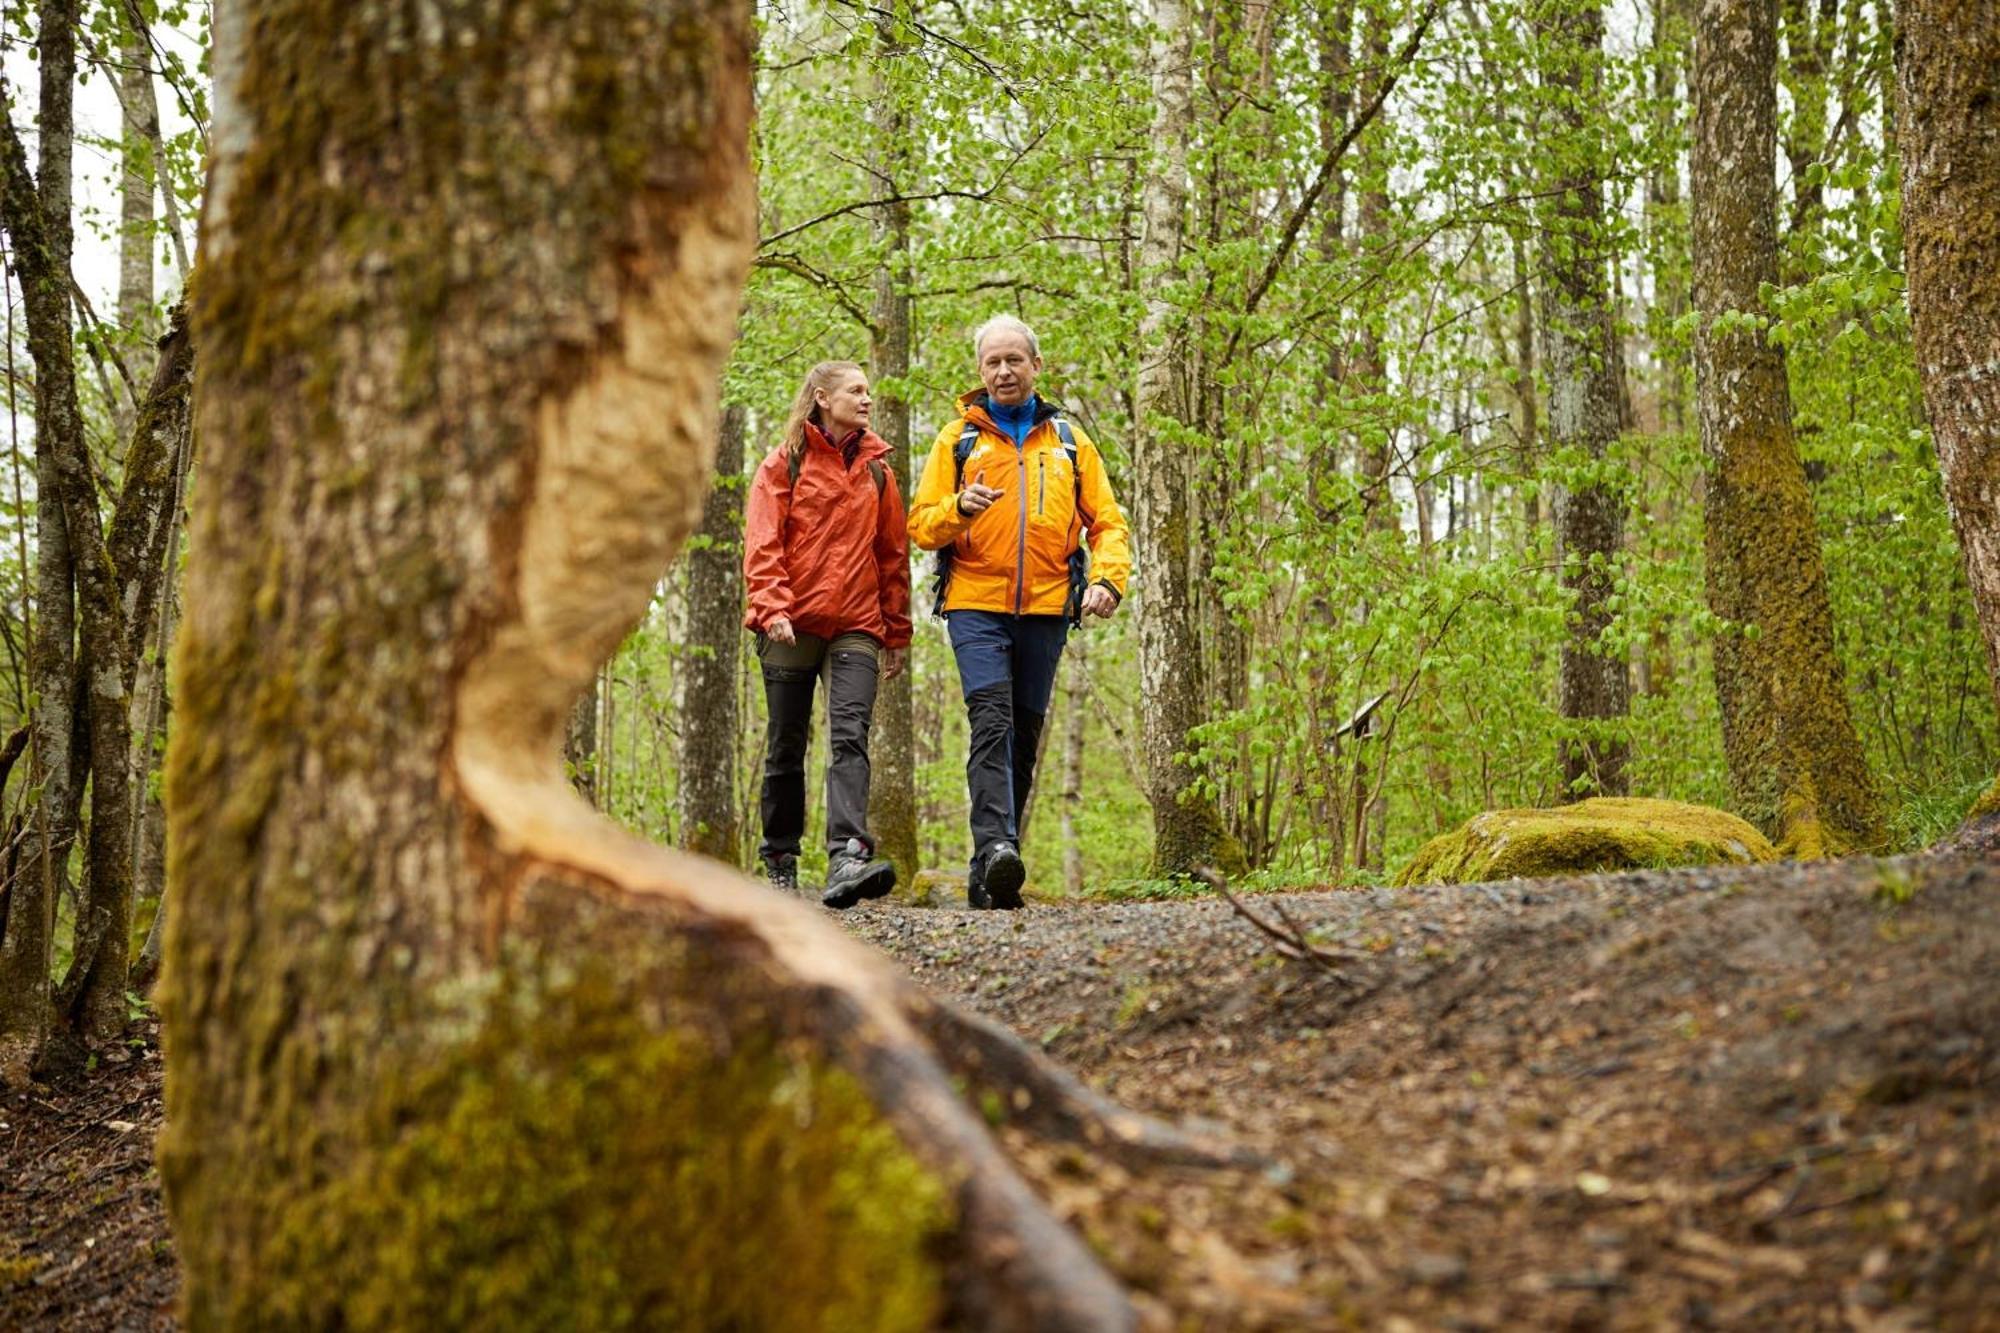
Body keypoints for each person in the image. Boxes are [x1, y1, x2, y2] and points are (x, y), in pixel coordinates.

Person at [908, 316, 1130, 909]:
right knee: (992, 723)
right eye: (992, 363)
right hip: (975, 603)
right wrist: (959, 507)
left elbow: (1107, 522)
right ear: (979, 372)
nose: (1003, 371)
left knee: (1024, 738)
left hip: (1047, 607)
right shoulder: (957, 439)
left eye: (1013, 360)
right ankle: (999, 846)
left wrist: (1108, 579)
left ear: (1036, 366)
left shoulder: (1068, 442)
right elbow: (921, 524)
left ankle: (989, 874)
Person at [742, 361, 911, 908]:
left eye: (868, 392)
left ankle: (846, 855)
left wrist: (897, 630)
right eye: (856, 391)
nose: (867, 399)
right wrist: (772, 607)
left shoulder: (879, 472)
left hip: (858, 624)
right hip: (790, 623)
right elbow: (763, 544)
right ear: (822, 397)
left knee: (849, 736)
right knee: (787, 745)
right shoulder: (782, 465)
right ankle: (781, 856)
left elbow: (892, 555)